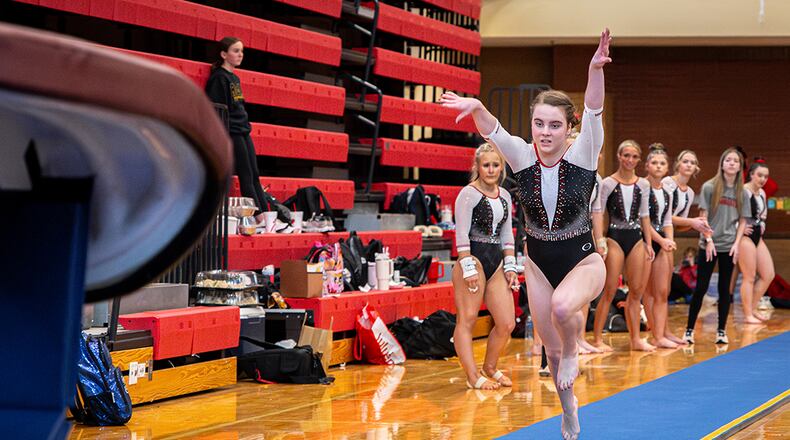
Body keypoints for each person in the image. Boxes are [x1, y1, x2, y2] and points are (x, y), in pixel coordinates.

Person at [442, 28, 612, 440]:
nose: (545, 132)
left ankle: (576, 349)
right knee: (549, 351)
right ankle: (568, 409)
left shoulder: (584, 151)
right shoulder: (520, 156)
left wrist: (593, 70)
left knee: (562, 309)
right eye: (539, 123)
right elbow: (492, 131)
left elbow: (593, 109)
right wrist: (478, 104)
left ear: (567, 127)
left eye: (554, 125)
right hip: (538, 265)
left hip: (584, 262)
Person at [452, 144, 518, 390]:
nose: (491, 170)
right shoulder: (468, 194)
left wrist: (510, 265)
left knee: (506, 322)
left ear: (502, 167)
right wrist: (467, 266)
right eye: (486, 165)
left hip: (496, 260)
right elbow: (461, 234)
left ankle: (490, 366)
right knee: (467, 319)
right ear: (477, 167)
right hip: (473, 258)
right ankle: (472, 376)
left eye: (496, 165)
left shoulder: (505, 195)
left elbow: (506, 235)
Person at [205, 36, 289, 226]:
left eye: (242, 51)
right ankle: (259, 218)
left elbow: (238, 106)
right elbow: (218, 110)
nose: (240, 54)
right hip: (232, 132)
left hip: (243, 130)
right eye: (236, 51)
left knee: (255, 174)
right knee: (246, 176)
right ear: (223, 54)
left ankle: (268, 217)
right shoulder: (219, 78)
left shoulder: (234, 77)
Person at [592, 140, 655, 352]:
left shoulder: (643, 185)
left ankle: (635, 339)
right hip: (615, 237)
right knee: (609, 290)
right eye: (626, 155)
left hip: (635, 237)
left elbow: (645, 215)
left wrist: (648, 242)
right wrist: (599, 239)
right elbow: (598, 211)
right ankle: (597, 339)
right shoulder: (608, 183)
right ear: (619, 156)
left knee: (636, 291)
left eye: (634, 157)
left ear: (639, 160)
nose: (630, 160)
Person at [684, 147, 748, 345]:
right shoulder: (710, 187)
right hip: (709, 244)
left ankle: (721, 331)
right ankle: (689, 330)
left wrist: (737, 244)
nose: (731, 163)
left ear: (739, 167)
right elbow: (702, 216)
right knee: (701, 287)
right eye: (728, 160)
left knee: (724, 288)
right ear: (722, 163)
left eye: (735, 161)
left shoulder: (742, 192)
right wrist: (708, 239)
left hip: (729, 246)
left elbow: (744, 221)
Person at [642, 144, 678, 348]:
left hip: (663, 240)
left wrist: (669, 240)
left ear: (667, 169)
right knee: (647, 291)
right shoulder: (641, 187)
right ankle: (655, 334)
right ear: (647, 166)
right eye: (654, 163)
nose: (658, 166)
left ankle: (663, 332)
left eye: (662, 163)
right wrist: (660, 240)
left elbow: (667, 221)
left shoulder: (666, 191)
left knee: (663, 291)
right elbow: (642, 220)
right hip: (645, 240)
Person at [736, 160, 774, 324]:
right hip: (744, 237)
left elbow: (762, 215)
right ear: (751, 174)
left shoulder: (762, 193)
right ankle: (747, 314)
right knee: (749, 276)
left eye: (765, 176)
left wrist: (763, 225)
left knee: (768, 274)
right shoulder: (743, 191)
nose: (763, 179)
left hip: (758, 235)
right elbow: (730, 214)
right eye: (759, 175)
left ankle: (751, 308)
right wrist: (739, 227)